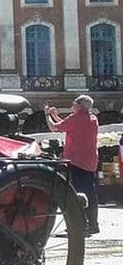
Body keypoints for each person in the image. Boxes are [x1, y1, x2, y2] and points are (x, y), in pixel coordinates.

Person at [46, 95, 100, 236]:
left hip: (76, 161)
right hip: (90, 161)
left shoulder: (76, 118)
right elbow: (67, 126)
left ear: (80, 105)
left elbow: (54, 128)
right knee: (90, 193)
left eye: (75, 102)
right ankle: (93, 225)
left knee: (77, 194)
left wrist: (47, 115)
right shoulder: (92, 118)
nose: (72, 104)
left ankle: (80, 226)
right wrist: (55, 116)